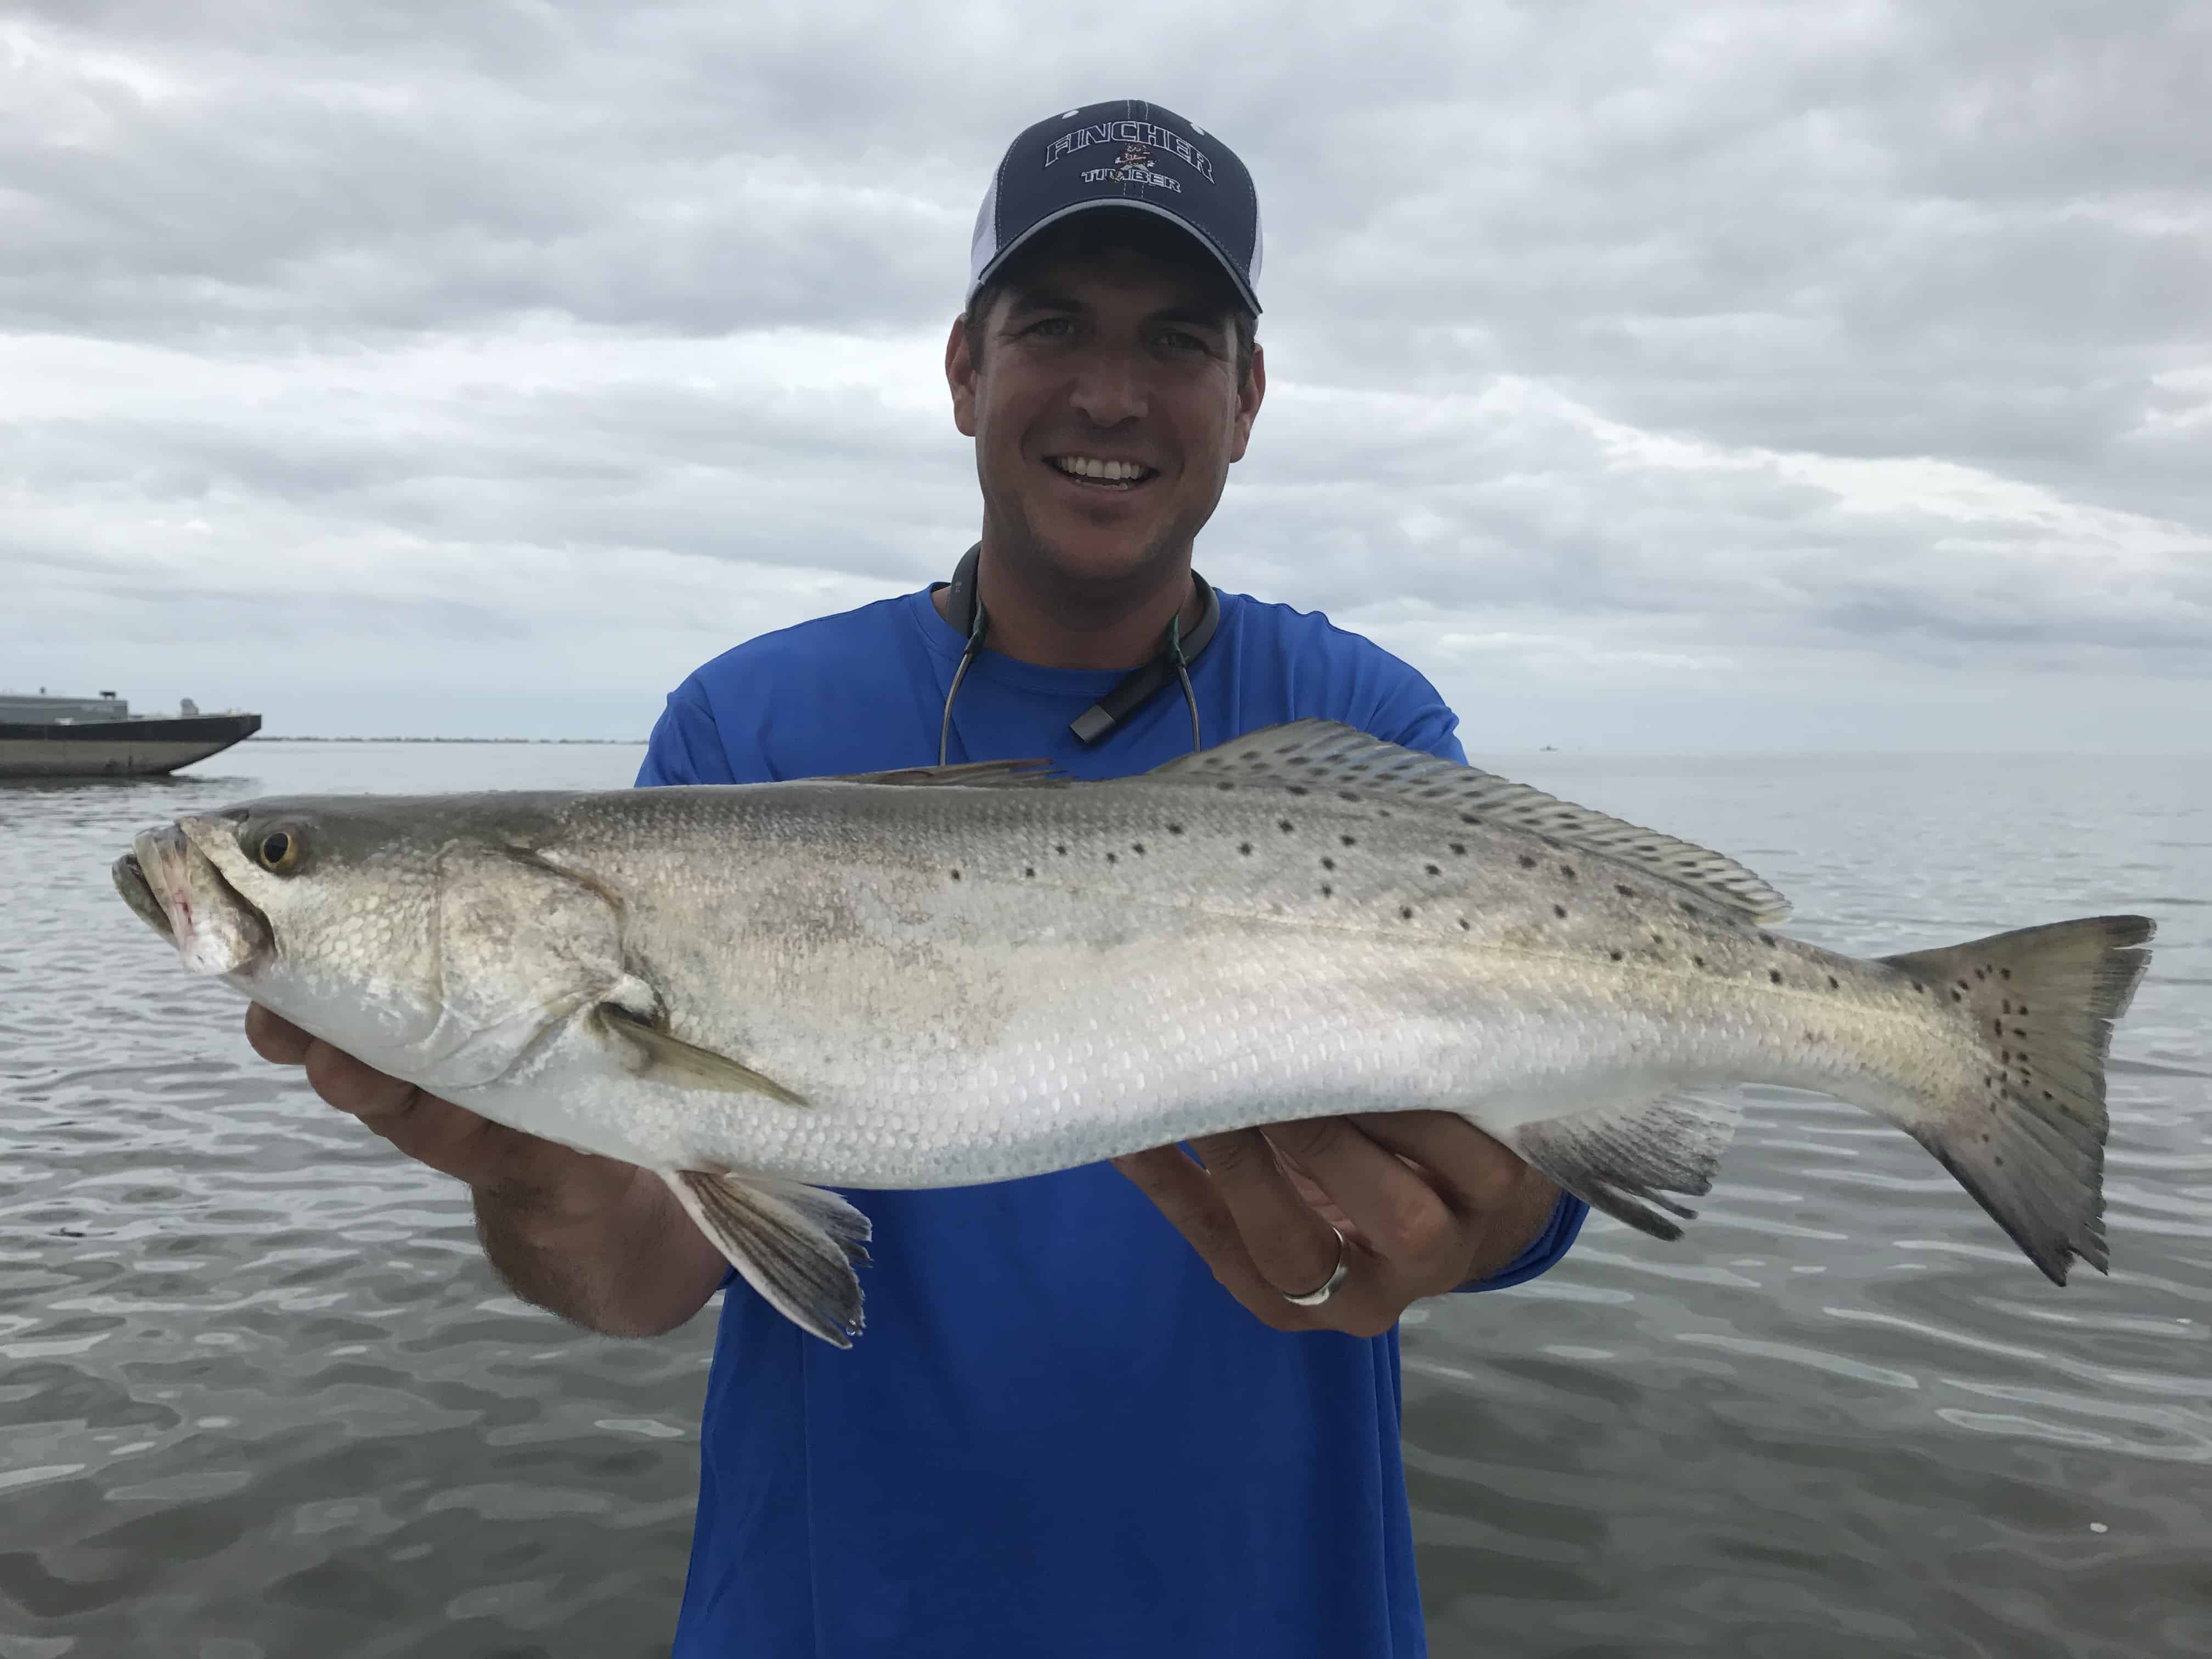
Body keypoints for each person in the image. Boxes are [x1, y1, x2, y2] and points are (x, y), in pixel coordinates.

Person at [246, 99, 1589, 1658]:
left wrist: (1478, 1228)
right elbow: (636, 1283)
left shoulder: (1362, 721)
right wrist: (533, 1159)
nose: (1109, 391)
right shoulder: (748, 726)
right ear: (965, 369)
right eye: (1054, 326)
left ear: (1248, 396)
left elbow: (1544, 1158)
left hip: (1276, 1611)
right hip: (829, 1615)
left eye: (1176, 342)